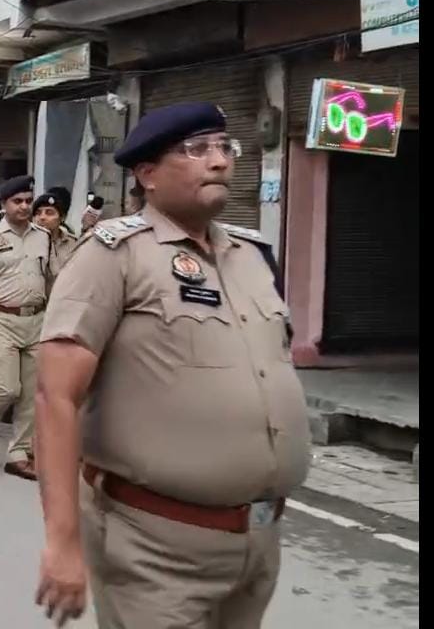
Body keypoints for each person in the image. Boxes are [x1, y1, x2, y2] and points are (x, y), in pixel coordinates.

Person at [33, 102, 309, 628]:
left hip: (258, 542)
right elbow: (56, 395)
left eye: (224, 147)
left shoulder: (253, 255)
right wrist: (62, 541)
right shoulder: (114, 254)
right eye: (196, 149)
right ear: (147, 174)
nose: (219, 161)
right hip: (153, 548)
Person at [0, 175, 51, 481]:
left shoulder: (43, 236)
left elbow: (49, 279)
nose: (25, 206)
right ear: (4, 204)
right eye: (18, 201)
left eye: (28, 201)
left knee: (30, 394)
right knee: (6, 388)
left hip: (37, 321)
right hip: (2, 321)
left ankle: (18, 454)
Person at [32, 192, 79, 282]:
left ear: (62, 218)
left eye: (49, 213)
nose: (42, 217)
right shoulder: (27, 242)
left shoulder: (73, 243)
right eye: (38, 213)